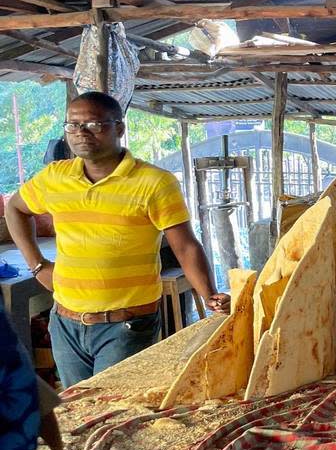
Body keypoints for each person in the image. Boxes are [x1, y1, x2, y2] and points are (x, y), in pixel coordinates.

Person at [4, 92, 229, 388]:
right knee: (79, 411)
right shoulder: (54, 178)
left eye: (94, 124)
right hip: (65, 322)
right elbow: (15, 208)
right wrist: (37, 264)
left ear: (119, 129)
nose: (81, 133)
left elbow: (185, 246)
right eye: (73, 125)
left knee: (118, 413)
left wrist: (209, 295)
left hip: (126, 326)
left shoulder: (154, 182)